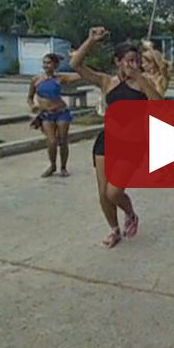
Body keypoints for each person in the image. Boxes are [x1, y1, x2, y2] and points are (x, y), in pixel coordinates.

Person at [70, 27, 163, 248]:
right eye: (129, 61)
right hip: (106, 141)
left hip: (132, 144)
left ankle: (130, 214)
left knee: (114, 192)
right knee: (103, 192)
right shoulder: (106, 82)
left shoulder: (144, 82)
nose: (134, 64)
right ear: (118, 61)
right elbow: (76, 65)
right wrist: (91, 40)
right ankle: (114, 229)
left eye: (136, 60)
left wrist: (140, 77)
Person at [27, 53, 82, 177]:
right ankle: (52, 165)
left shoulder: (60, 78)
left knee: (63, 140)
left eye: (49, 63)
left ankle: (63, 167)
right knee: (51, 141)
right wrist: (32, 106)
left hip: (61, 113)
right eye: (44, 63)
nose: (46, 65)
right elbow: (30, 97)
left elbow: (81, 75)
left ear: (55, 65)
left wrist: (77, 59)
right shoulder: (36, 80)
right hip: (46, 115)